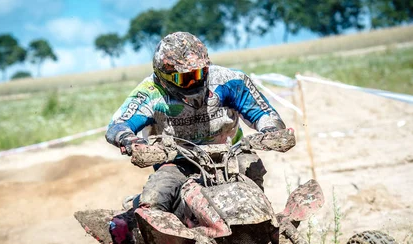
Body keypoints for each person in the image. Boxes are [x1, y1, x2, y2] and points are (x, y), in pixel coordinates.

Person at [106, 31, 294, 218]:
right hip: (177, 162)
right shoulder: (149, 92)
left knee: (250, 165)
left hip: (230, 155)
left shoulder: (230, 80)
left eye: (199, 73)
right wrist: (129, 140)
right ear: (164, 76)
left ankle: (264, 224)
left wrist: (270, 131)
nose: (194, 81)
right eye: (184, 78)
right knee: (155, 196)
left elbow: (263, 113)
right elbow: (118, 124)